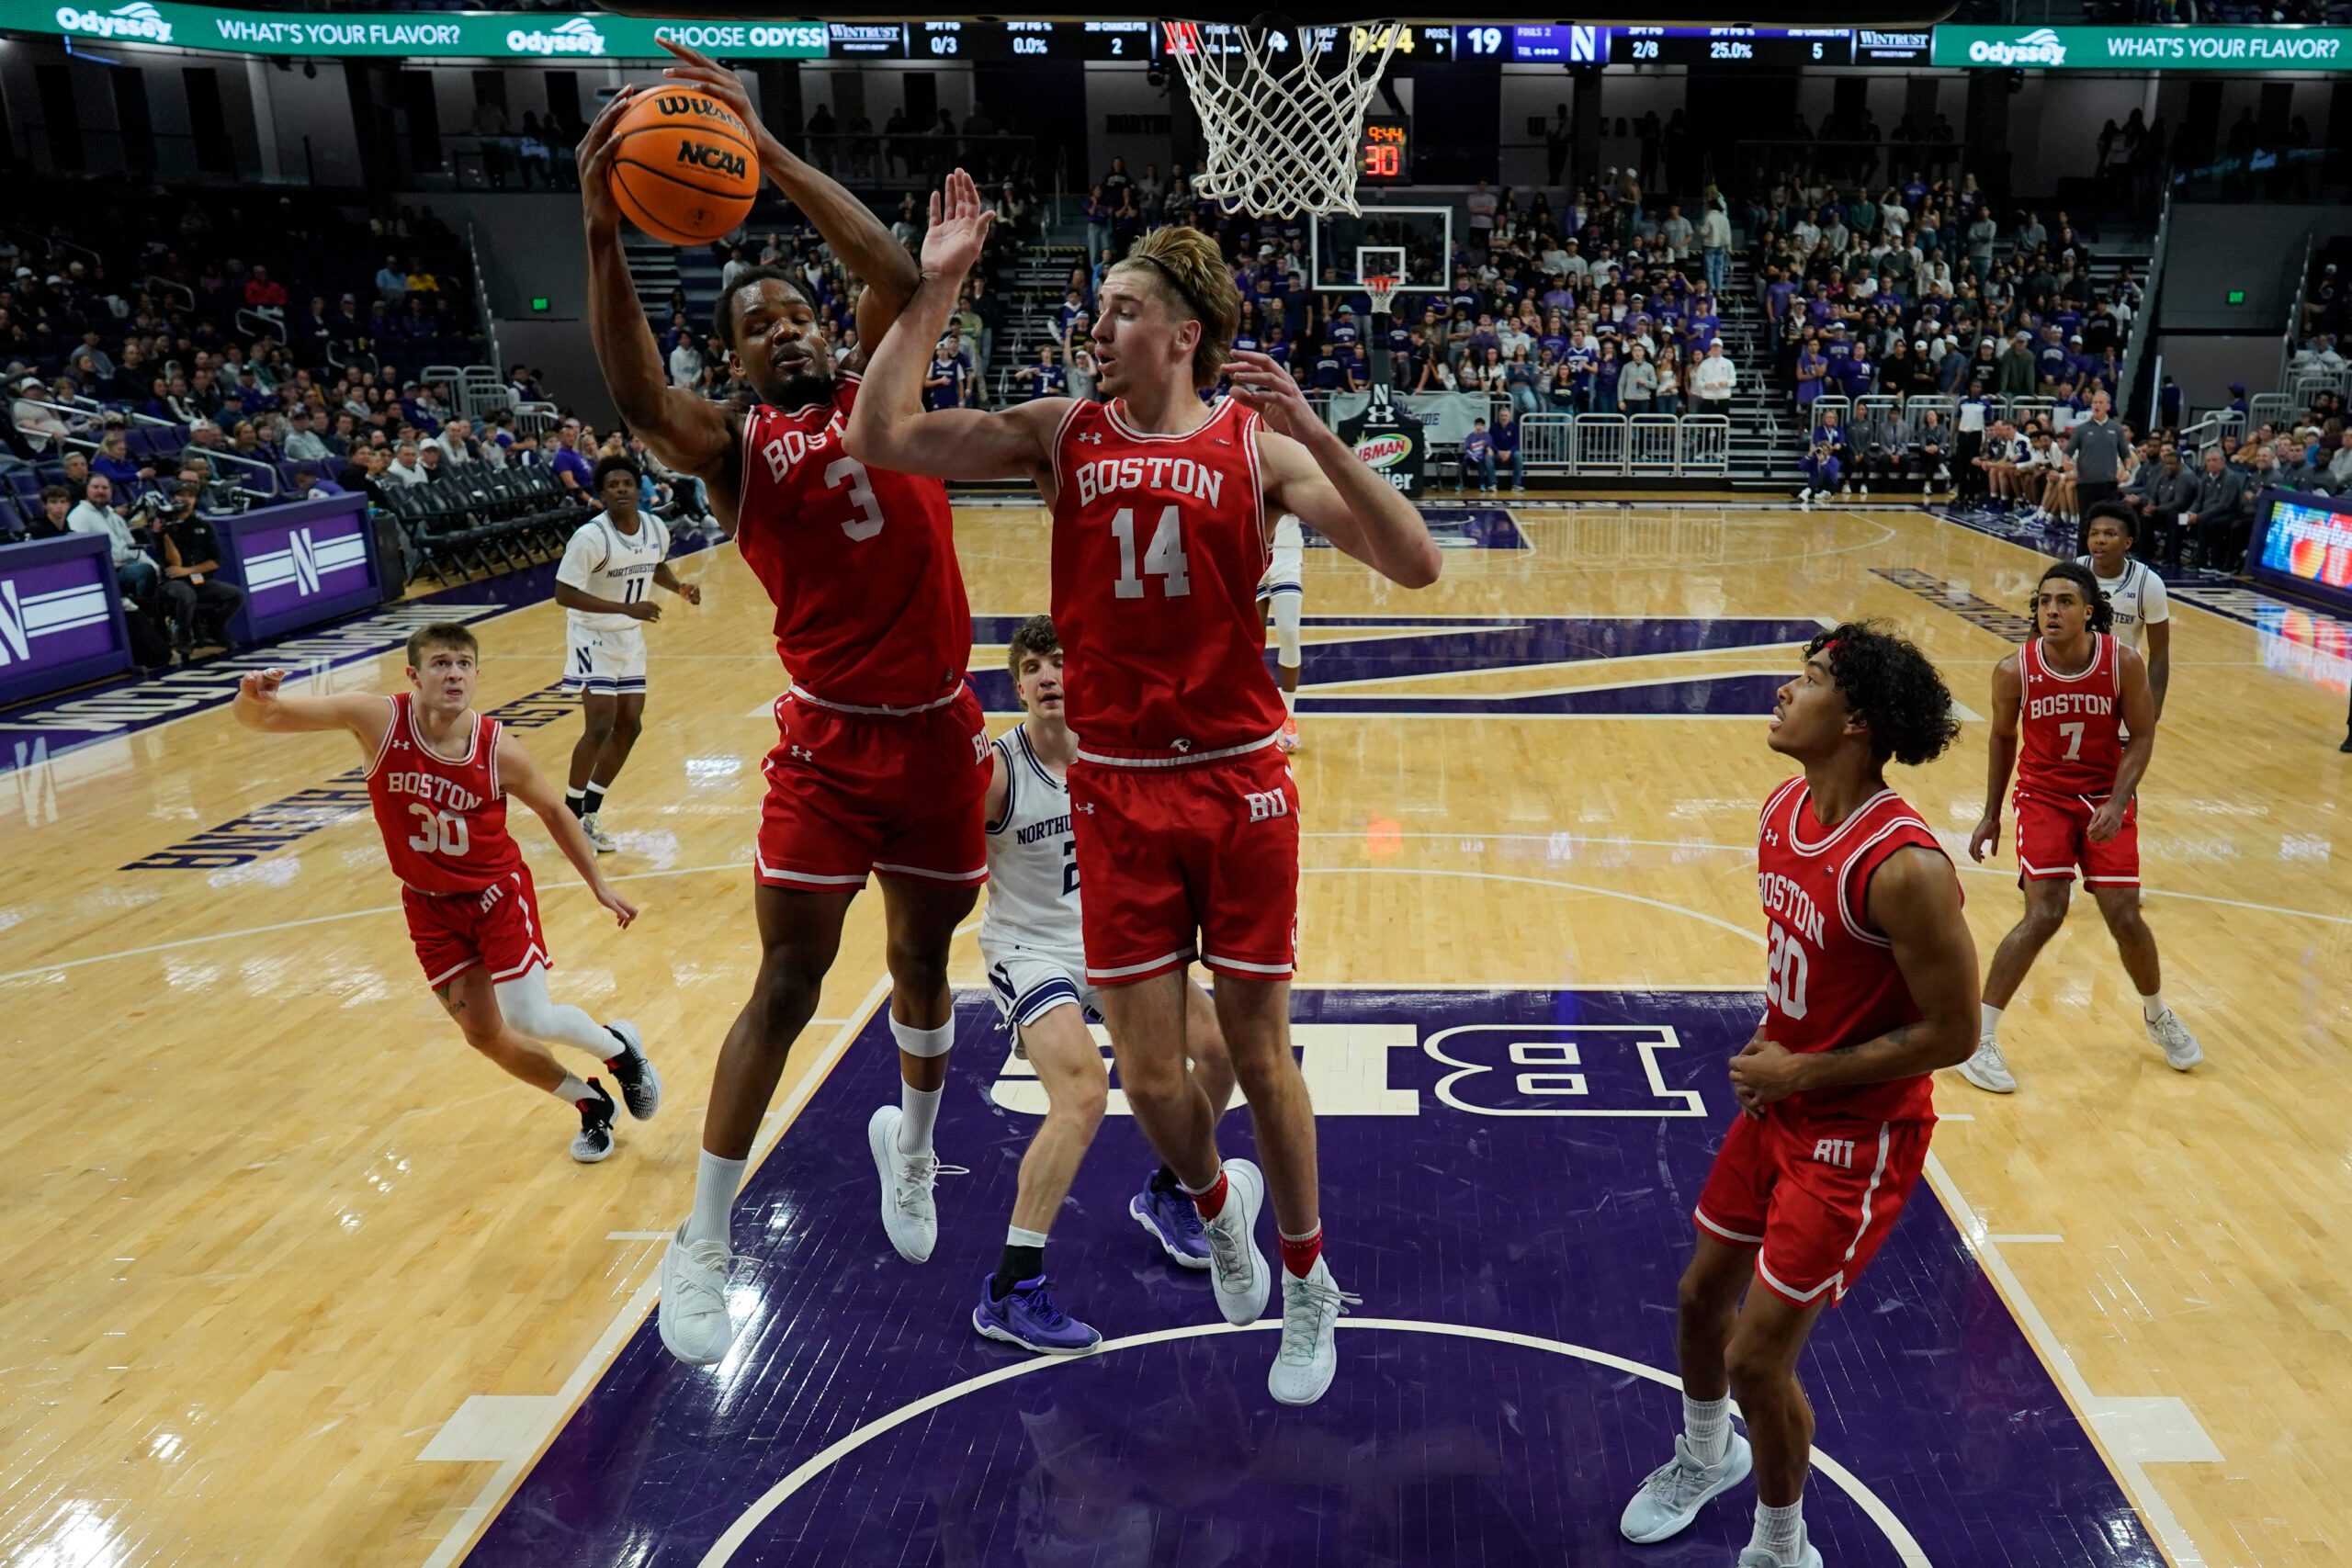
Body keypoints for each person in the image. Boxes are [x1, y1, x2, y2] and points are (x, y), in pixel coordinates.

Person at [845, 171, 1443, 1406]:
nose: (1097, 327)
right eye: (1098, 308)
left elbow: (1418, 561)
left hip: (1240, 788)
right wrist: (941, 282)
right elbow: (882, 435)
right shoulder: (1063, 431)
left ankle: (1310, 1277)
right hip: (1116, 794)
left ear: (1183, 332)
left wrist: (1322, 434)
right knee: (1157, 1082)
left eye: (1120, 310)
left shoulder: (1256, 447)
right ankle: (1216, 1202)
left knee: (1265, 1052)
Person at [579, 44, 991, 1368]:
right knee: (789, 977)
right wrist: (603, 231)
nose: (787, 329)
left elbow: (891, 270)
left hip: (937, 731)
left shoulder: (886, 378)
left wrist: (762, 148)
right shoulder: (734, 449)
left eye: (794, 313)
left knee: (925, 963)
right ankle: (702, 1236)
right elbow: (641, 398)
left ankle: (912, 1146)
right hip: (826, 741)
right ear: (741, 361)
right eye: (756, 326)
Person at [1618, 623, 1978, 1568]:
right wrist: (1777, 1038)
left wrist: (1803, 1070)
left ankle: (1782, 1546)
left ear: (1855, 721)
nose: (1786, 689)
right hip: (1779, 1108)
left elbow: (1956, 1033)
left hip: (1856, 1138)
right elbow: (1820, 973)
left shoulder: (1905, 867)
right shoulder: (1783, 808)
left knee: (1754, 1358)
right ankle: (1706, 1456)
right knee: (1700, 1298)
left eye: (1810, 679)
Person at [230, 626, 658, 1162]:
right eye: (439, 664)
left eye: (462, 664)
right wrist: (252, 699)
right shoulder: (376, 719)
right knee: (483, 1034)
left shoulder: (497, 747)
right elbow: (264, 718)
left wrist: (598, 883)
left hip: (495, 895)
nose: (452, 674)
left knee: (528, 1018)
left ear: (477, 675)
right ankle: (591, 1103)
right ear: (413, 674)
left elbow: (553, 811)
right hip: (428, 906)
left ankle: (620, 1051)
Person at [972, 616, 1239, 1352]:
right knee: (1084, 1091)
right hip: (1031, 949)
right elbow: (947, 855)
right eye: (1033, 667)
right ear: (1018, 685)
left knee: (1221, 1050)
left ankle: (1171, 1185)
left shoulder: (1112, 748)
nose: (1050, 676)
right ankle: (1012, 1286)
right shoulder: (998, 770)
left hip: (1113, 938)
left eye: (1060, 662)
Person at [1959, 563, 2202, 1094]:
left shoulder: (2124, 662)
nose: (2051, 610)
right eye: (2044, 601)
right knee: (2046, 911)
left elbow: (2140, 735)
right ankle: (1980, 1039)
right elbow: (2002, 741)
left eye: (2064, 601)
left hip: (2104, 796)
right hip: (2044, 797)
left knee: (2126, 916)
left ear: (2089, 611)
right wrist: (1991, 813)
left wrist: (2118, 802)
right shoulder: (2013, 670)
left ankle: (2157, 1015)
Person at [554, 454, 703, 854]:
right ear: (602, 495)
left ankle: (590, 812)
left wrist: (679, 588)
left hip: (629, 636)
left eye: (627, 484)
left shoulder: (654, 527)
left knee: (631, 725)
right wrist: (625, 607)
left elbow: (655, 566)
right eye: (612, 485)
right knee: (600, 724)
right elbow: (563, 593)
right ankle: (571, 814)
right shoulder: (590, 537)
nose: (621, 489)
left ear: (639, 490)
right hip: (591, 635)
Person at [2077, 505, 2170, 714]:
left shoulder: (2149, 583)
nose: (2100, 540)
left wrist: (2153, 709)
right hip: (2070, 682)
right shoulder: (2072, 573)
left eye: (2110, 534)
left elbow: (2159, 652)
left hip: (2120, 685)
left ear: (2127, 543)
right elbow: (2040, 632)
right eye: (2094, 534)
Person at [156, 483, 246, 661]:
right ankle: (184, 639)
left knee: (236, 595)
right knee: (187, 595)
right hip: (172, 581)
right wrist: (163, 534)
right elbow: (174, 564)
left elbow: (214, 562)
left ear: (195, 500)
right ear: (173, 499)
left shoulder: (204, 526)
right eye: (181, 495)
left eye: (190, 496)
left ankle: (215, 627)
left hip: (198, 578)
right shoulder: (164, 526)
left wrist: (187, 571)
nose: (185, 499)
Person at [1258, 513, 1306, 752]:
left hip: (1287, 550)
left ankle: (1288, 715)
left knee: (1288, 631)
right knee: (1250, 642)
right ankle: (1256, 716)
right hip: (1251, 547)